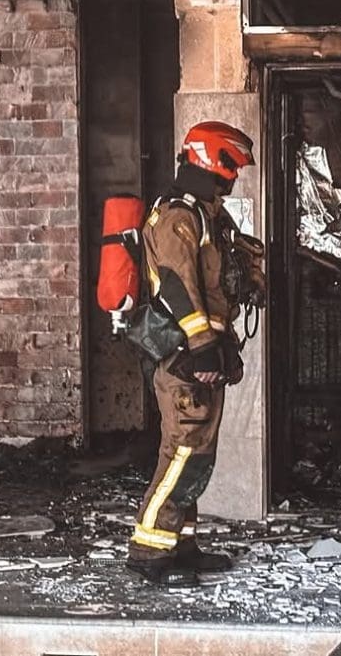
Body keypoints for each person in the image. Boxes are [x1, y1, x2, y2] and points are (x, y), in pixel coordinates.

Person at [125, 120, 256, 587]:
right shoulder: (178, 216)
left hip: (202, 351)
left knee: (197, 450)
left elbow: (218, 285)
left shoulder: (206, 214)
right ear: (211, 161)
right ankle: (148, 550)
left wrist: (224, 347)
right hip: (183, 354)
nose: (234, 178)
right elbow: (180, 290)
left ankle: (182, 544)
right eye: (232, 168)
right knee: (183, 452)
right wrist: (203, 348)